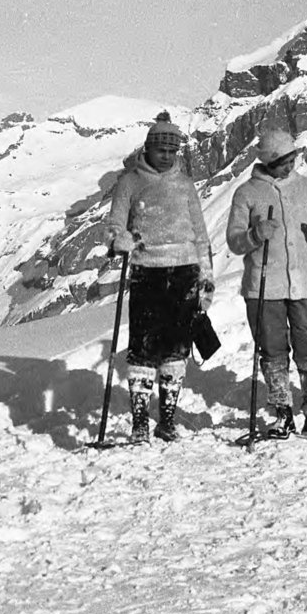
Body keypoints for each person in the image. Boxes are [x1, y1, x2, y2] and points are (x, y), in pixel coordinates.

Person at [104, 111, 214, 444]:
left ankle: (166, 420)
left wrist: (206, 277)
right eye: (161, 150)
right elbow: (113, 225)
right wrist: (117, 240)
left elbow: (200, 233)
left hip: (184, 271)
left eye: (172, 151)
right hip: (145, 270)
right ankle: (140, 422)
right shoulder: (130, 182)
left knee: (176, 349)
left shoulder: (185, 184)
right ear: (149, 149)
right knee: (143, 348)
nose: (167, 156)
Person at [226, 128, 307, 443]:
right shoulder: (248, 193)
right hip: (264, 286)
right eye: (281, 163)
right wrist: (255, 234)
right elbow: (234, 241)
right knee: (273, 349)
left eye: (291, 159)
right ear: (267, 163)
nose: (288, 167)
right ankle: (282, 412)